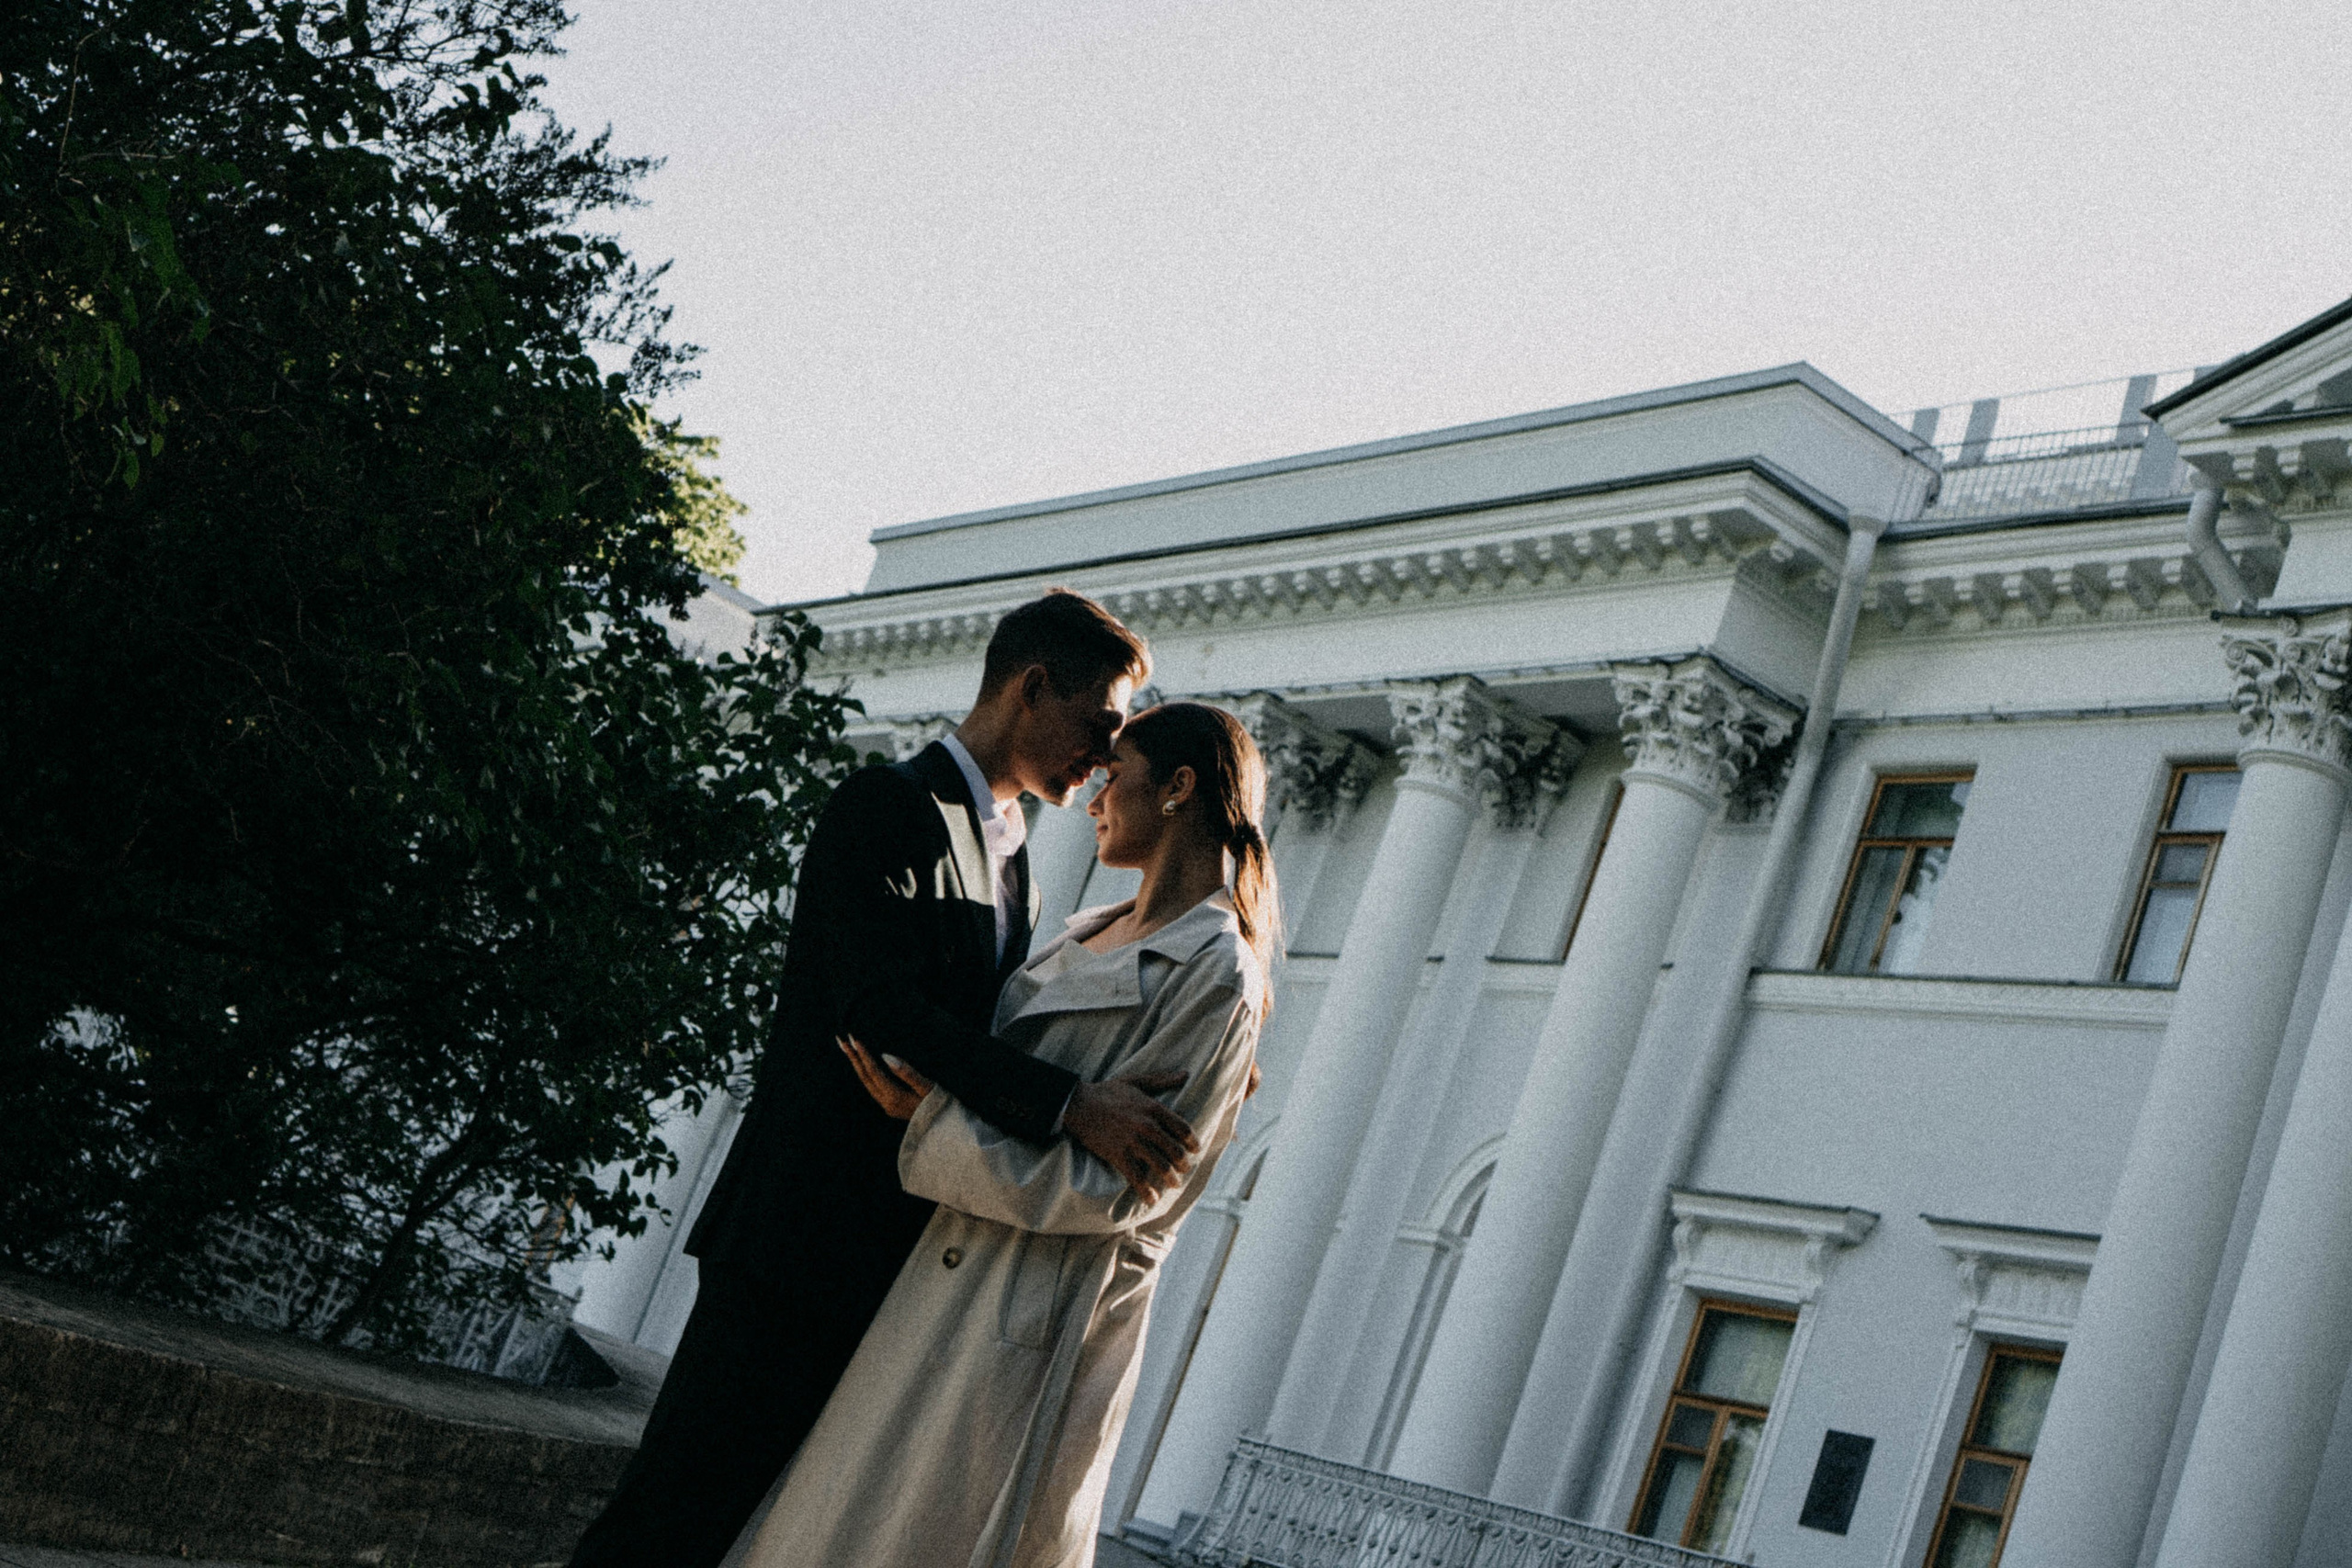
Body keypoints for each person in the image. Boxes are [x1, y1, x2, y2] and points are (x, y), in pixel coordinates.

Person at [570, 591, 1198, 1568]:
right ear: (1033, 688)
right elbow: (879, 1008)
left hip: (894, 1254)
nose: (1107, 756)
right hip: (795, 1242)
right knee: (671, 1523)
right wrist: (1070, 1107)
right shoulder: (887, 805)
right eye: (1100, 721)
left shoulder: (1017, 853)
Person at [745, 700, 1277, 1568]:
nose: (1096, 797)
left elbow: (1124, 1190)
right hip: (946, 1273)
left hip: (1034, 1319)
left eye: (1116, 776)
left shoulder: (1218, 972)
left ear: (1179, 787)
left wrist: (931, 1124)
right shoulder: (1083, 925)